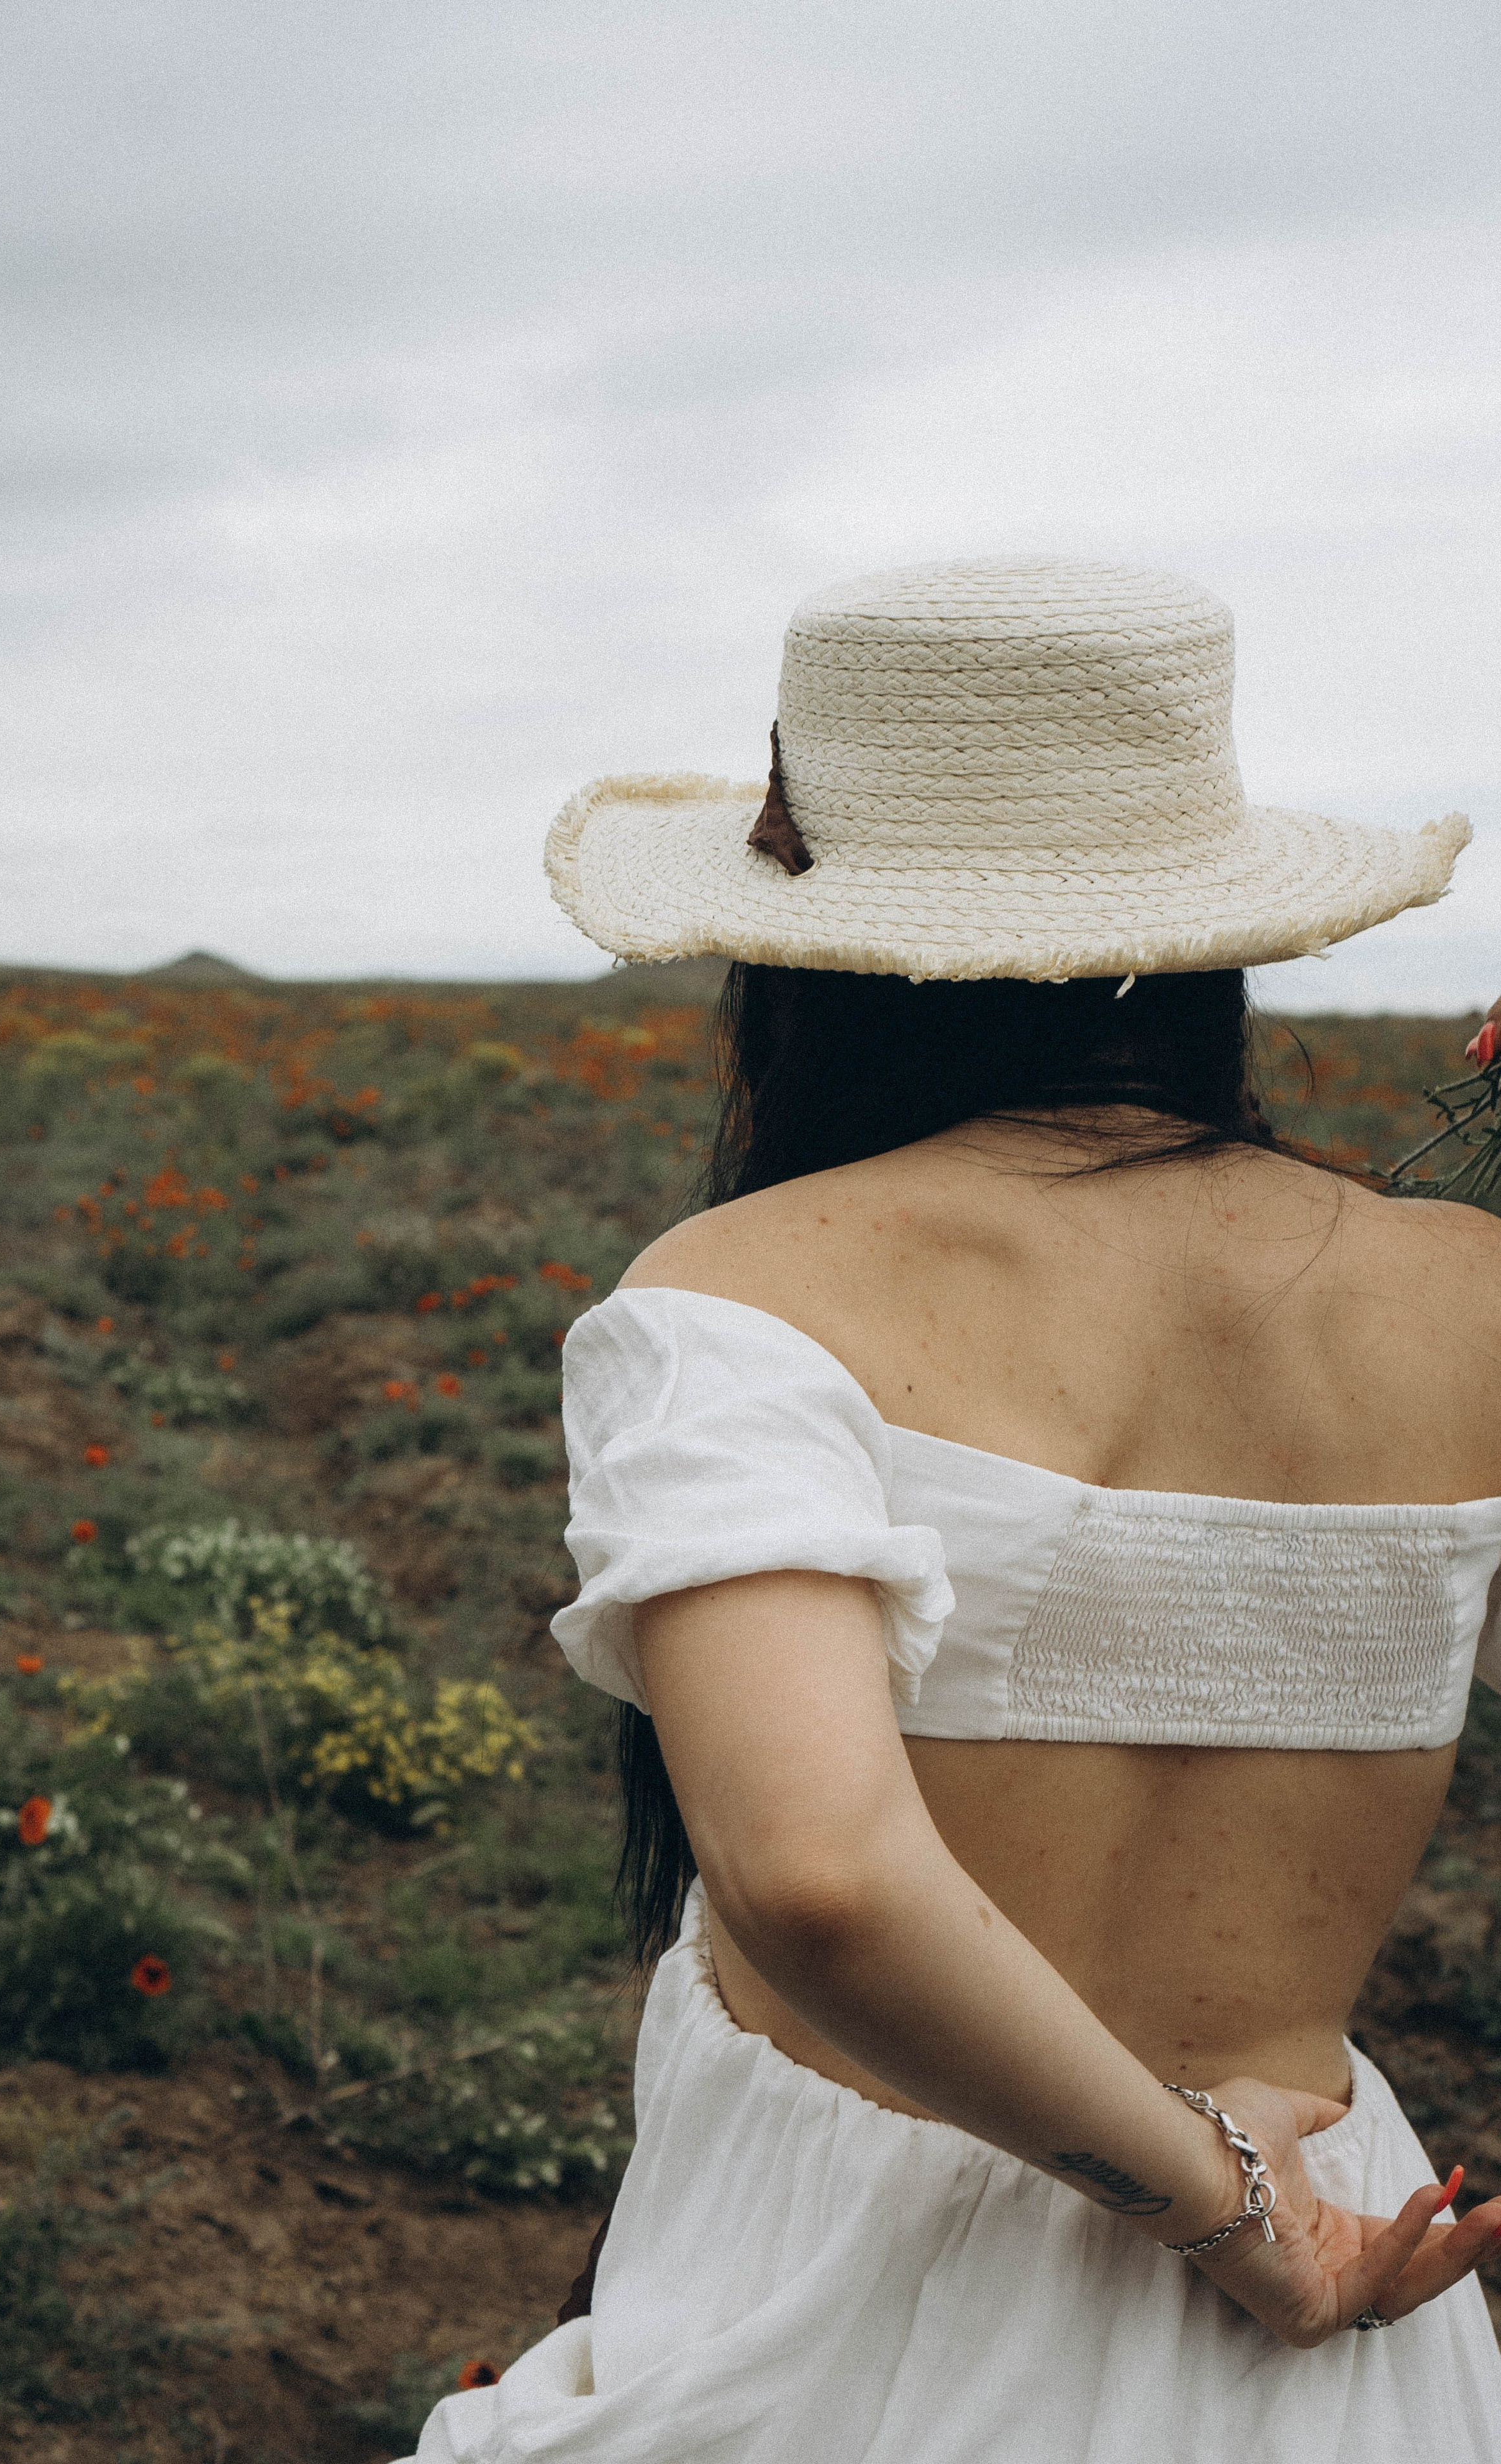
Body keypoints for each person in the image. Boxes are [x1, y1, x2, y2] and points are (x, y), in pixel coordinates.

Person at [413, 560, 1501, 2462]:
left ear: (803, 962)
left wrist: (1236, 2230)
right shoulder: (1466, 1293)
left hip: (881, 2292)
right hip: (1346, 2313)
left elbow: (820, 1873)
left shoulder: (737, 1295)